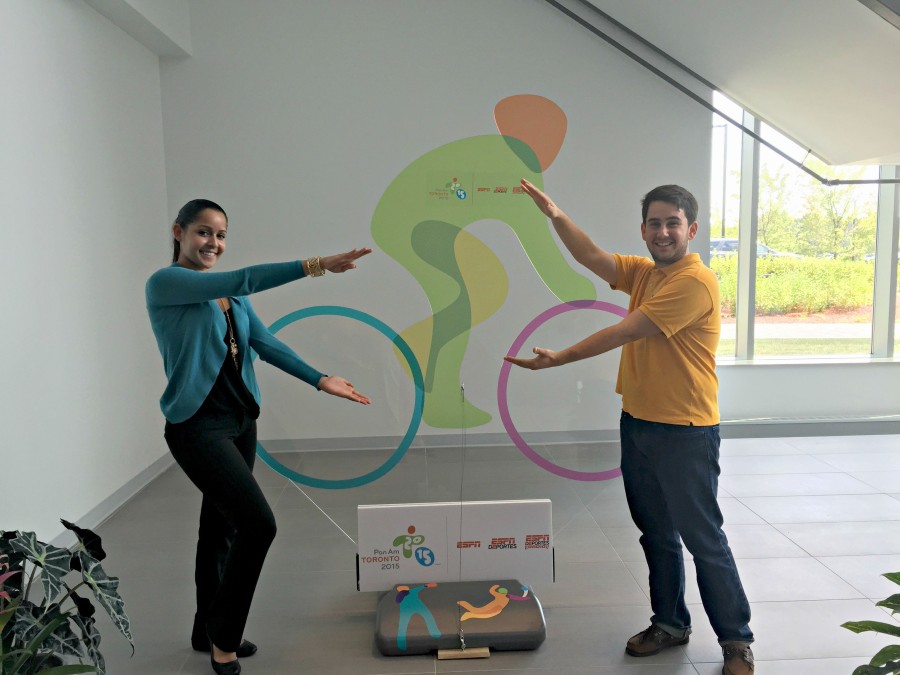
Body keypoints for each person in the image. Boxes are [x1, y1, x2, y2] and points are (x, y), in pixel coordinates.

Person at [506, 179, 754, 675]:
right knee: (656, 533)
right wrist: (555, 214)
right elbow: (593, 257)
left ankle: (735, 640)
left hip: (684, 429)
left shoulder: (694, 281)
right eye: (655, 223)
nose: (663, 232)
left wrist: (562, 358)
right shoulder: (646, 272)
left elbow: (626, 330)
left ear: (692, 229)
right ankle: (669, 622)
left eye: (673, 224)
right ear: (643, 230)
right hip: (638, 422)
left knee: (702, 537)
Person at [146, 199, 372, 675]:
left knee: (221, 528)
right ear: (179, 232)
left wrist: (319, 377)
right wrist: (316, 266)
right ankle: (223, 640)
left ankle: (204, 628)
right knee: (258, 524)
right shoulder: (167, 284)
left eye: (221, 235)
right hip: (196, 427)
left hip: (240, 421)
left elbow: (263, 343)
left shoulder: (232, 297)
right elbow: (241, 278)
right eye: (204, 233)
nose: (214, 243)